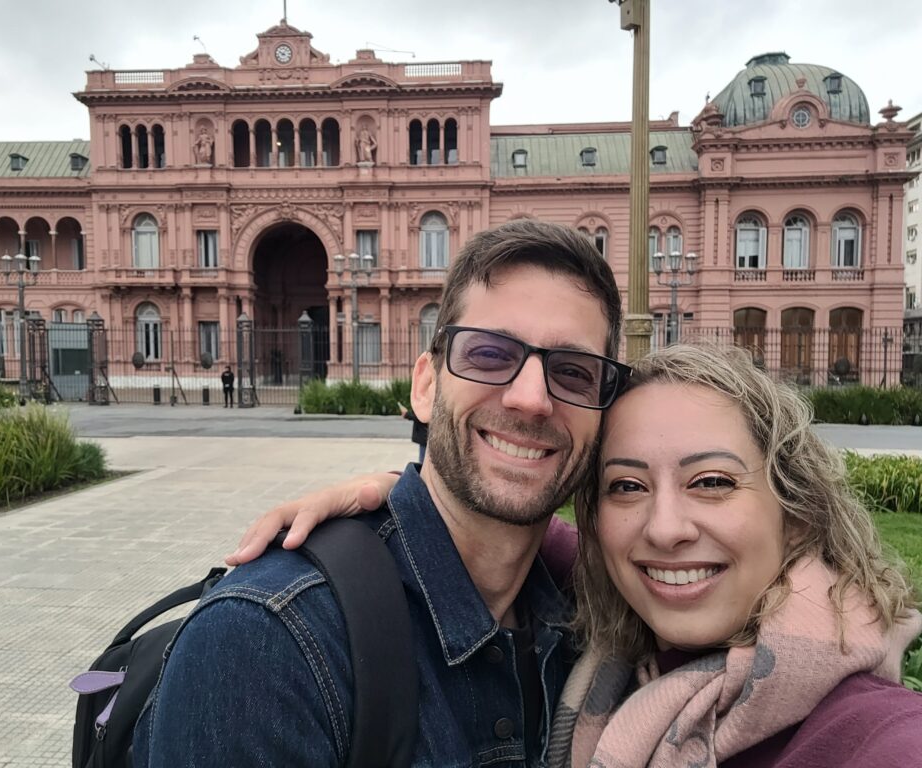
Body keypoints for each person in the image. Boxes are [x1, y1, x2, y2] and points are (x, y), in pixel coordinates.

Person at [236, 344, 922, 767]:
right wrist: (403, 492)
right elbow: (517, 536)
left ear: (796, 514)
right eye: (626, 486)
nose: (664, 530)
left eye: (711, 482)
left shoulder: (871, 732)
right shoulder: (614, 618)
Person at [133, 219, 629, 767]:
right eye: (490, 354)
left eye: (575, 372)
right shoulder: (269, 642)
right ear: (425, 386)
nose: (531, 398)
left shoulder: (598, 617)